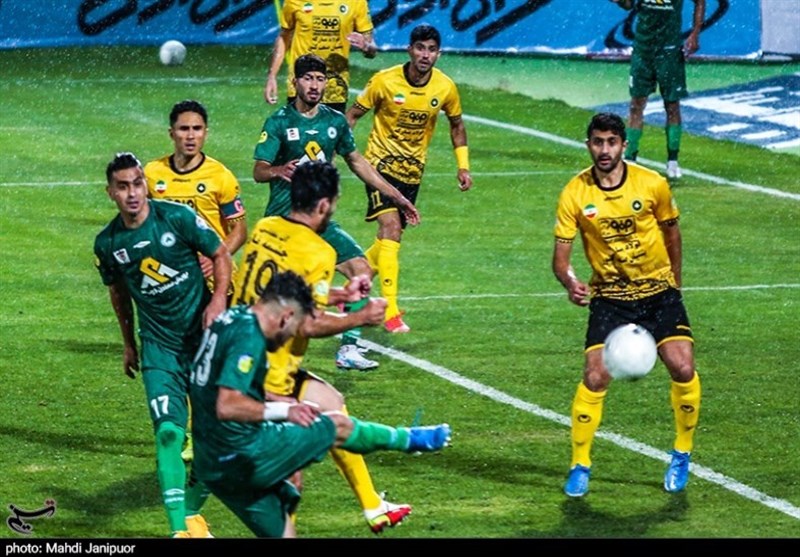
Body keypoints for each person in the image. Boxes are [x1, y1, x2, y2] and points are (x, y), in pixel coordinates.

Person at [191, 268, 452, 538]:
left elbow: (215, 385)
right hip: (244, 455)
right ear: (287, 316)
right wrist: (286, 410)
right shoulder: (250, 337)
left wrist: (276, 399)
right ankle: (410, 440)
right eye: (295, 328)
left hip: (211, 463)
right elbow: (228, 405)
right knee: (336, 424)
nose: (291, 337)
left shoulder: (230, 319)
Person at [231, 160, 416, 533]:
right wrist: (359, 318)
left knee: (332, 406)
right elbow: (308, 323)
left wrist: (340, 295)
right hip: (266, 371)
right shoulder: (318, 252)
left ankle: (372, 506)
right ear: (323, 205)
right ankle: (185, 519)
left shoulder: (267, 227)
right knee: (286, 478)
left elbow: (286, 291)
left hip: (237, 353)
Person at [551, 113, 701, 498]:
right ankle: (580, 464)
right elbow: (561, 258)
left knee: (683, 367)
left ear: (623, 144)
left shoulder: (652, 184)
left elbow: (672, 233)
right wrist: (570, 282)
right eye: (597, 142)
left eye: (612, 142)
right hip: (611, 297)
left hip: (658, 292)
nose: (604, 150)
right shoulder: (575, 193)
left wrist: (675, 282)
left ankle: (682, 453)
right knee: (595, 377)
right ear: (588, 145)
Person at [93, 152, 232, 537]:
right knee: (169, 433)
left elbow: (220, 252)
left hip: (204, 343)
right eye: (123, 186)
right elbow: (119, 294)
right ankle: (177, 531)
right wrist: (128, 344)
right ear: (110, 193)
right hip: (159, 349)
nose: (132, 193)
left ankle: (190, 514)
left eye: (137, 183)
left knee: (219, 445)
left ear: (146, 185)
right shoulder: (107, 243)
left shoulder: (177, 217)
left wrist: (218, 299)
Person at [254, 53, 420, 371]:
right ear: (296, 82)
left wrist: (397, 196)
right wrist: (277, 170)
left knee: (361, 271)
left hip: (319, 221)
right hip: (284, 221)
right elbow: (259, 170)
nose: (315, 85)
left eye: (320, 79)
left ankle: (348, 349)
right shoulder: (279, 122)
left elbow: (357, 161)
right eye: (308, 79)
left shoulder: (335, 122)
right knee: (270, 293)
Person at [346, 23, 472, 333]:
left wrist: (463, 166)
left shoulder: (445, 87)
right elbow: (352, 116)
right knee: (390, 227)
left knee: (388, 242)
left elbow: (457, 125)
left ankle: (354, 288)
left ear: (438, 54)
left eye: (431, 50)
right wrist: (342, 151)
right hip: (378, 167)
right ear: (410, 50)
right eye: (420, 48)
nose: (425, 55)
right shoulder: (384, 81)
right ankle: (390, 312)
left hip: (412, 173)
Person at [144, 99, 248, 465]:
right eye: (184, 129)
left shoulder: (221, 177)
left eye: (197, 129)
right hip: (173, 288)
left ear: (206, 133)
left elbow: (239, 230)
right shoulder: (152, 174)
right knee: (186, 359)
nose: (190, 136)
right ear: (171, 132)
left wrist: (215, 255)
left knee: (213, 362)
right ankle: (191, 431)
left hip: (215, 284)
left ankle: (218, 427)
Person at [611, 0, 706, 179]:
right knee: (636, 105)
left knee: (672, 106)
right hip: (643, 50)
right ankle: (630, 159)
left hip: (669, 51)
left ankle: (672, 161)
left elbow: (700, 1)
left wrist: (695, 33)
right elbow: (628, 5)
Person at [264, 0, 377, 112]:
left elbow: (371, 49)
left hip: (335, 88)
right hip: (301, 86)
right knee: (298, 124)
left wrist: (366, 46)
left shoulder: (356, 2)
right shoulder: (294, 1)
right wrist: (272, 76)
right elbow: (284, 37)